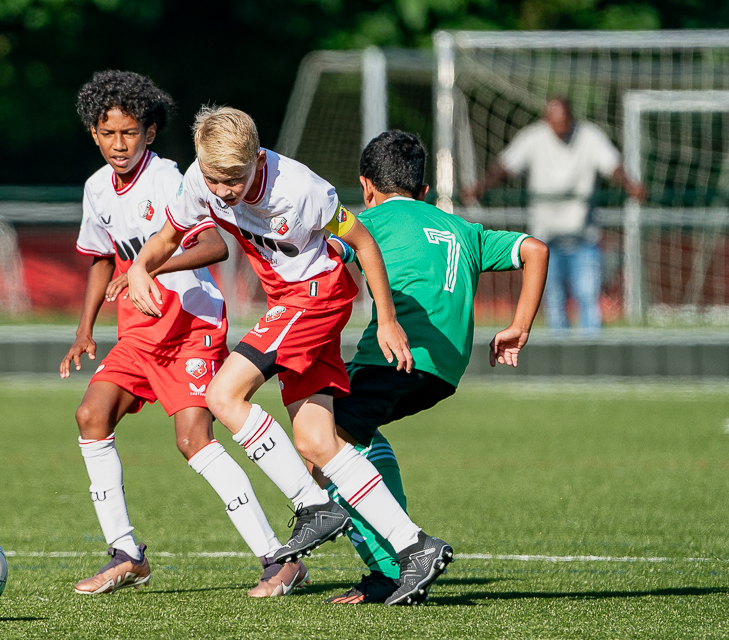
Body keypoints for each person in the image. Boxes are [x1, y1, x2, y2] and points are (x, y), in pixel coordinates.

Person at [127, 106, 445, 606]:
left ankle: (311, 503)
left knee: (222, 395)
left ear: (257, 157)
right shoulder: (199, 181)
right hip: (289, 301)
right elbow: (167, 238)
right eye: (215, 179)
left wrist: (386, 318)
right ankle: (415, 545)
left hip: (316, 295)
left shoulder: (300, 188)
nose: (224, 191)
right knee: (316, 442)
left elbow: (362, 241)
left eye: (234, 178)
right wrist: (142, 267)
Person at [60, 72, 308, 599]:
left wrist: (147, 269)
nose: (119, 144)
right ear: (93, 134)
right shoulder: (96, 189)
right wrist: (84, 330)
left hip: (191, 326)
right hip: (137, 330)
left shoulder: (170, 178)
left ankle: (279, 560)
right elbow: (105, 258)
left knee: (193, 440)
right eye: (108, 134)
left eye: (130, 133)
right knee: (90, 415)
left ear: (150, 133)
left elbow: (216, 246)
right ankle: (126, 554)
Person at [320, 130, 549, 604]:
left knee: (319, 444)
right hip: (445, 369)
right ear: (423, 191)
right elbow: (536, 249)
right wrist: (518, 326)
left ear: (366, 186)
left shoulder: (373, 220)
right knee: (351, 436)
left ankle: (395, 564)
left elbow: (327, 265)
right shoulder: (462, 229)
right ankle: (393, 555)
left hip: (393, 355)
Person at [464, 96, 643, 332]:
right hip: (546, 240)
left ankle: (593, 357)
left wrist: (631, 185)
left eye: (564, 122)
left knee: (588, 298)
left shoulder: (590, 136)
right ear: (546, 119)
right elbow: (506, 166)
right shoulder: (533, 137)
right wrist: (480, 187)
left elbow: (612, 164)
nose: (560, 128)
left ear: (571, 118)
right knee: (554, 301)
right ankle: (562, 356)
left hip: (583, 238)